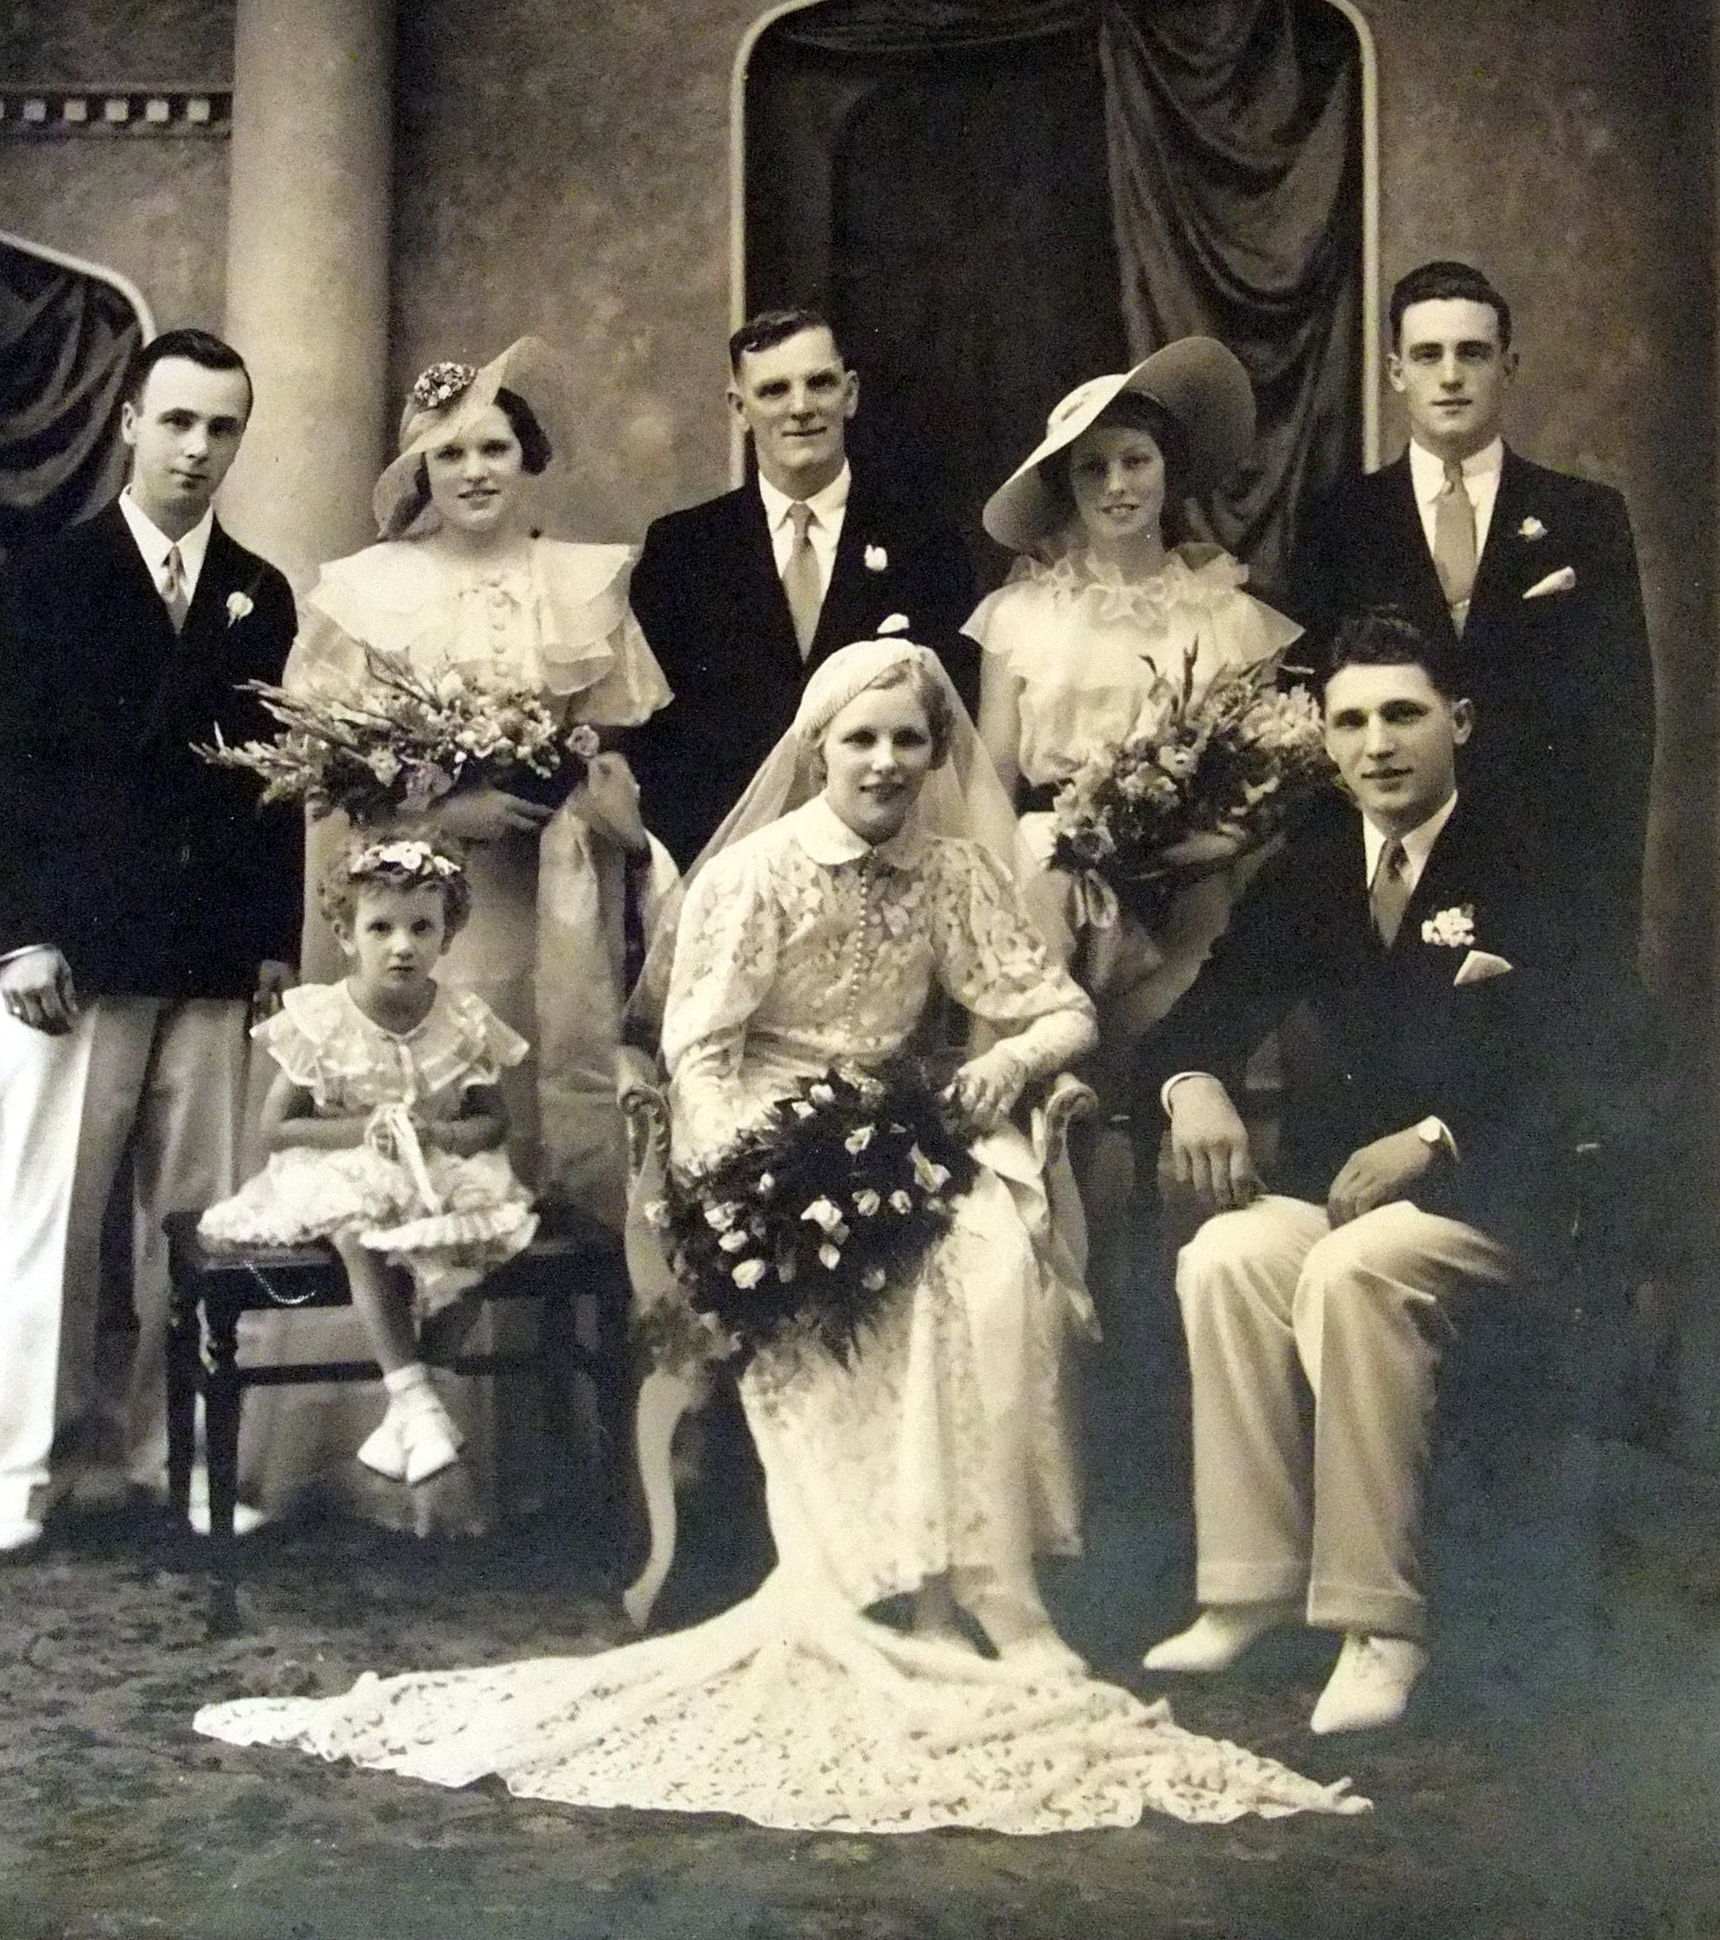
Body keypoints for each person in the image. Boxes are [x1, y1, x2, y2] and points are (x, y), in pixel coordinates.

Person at [193, 642, 1367, 1835]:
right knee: (859, 1272)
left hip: (904, 1120)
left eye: (907, 740)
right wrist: (756, 1180)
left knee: (985, 1261)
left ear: (935, 753)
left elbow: (1059, 1008)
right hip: (765, 1133)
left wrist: (1005, 1061)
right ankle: (889, 1581)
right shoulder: (755, 875)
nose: (884, 762)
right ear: (817, 750)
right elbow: (698, 1053)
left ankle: (981, 1587)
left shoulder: (954, 872)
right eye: (860, 739)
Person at [239, 339, 672, 1526]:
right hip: (420, 909)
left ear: (526, 460)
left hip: (550, 896)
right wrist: (444, 809)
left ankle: (526, 1457)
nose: (475, 471)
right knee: (416, 1122)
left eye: (493, 448)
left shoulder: (578, 582)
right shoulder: (372, 588)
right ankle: (391, 1422)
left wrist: (582, 799)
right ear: (420, 473)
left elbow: (606, 744)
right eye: (450, 455)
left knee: (525, 1123)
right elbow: (331, 774)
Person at [1137, 612, 1576, 1735]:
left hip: (1502, 1200)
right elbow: (1206, 1008)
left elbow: (1598, 1050)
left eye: (1402, 714)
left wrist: (1436, 1135)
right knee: (1228, 1252)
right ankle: (1250, 1585)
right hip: (1352, 1205)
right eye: (1351, 721)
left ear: (1457, 722)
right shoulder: (1316, 865)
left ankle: (1380, 1624)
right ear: (1325, 740)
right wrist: (1193, 1082)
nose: (1376, 744)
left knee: (1351, 1269)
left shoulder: (1535, 849)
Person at [0, 328, 303, 1552]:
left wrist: (271, 944)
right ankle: (26, 1471)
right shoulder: (53, 575)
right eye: (178, 422)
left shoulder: (258, 591)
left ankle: (181, 1459)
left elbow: (276, 778)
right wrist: (21, 938)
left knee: (197, 1225)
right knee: (53, 1221)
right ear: (129, 425)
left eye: (222, 428)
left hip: (206, 955)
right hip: (74, 954)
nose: (198, 449)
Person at [1292, 260, 1655, 969]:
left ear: (1508, 365)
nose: (1451, 376)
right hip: (1392, 874)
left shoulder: (1585, 517)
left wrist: (1607, 920)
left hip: (1547, 882)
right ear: (1396, 371)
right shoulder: (1339, 521)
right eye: (1428, 355)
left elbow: (1623, 725)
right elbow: (1313, 719)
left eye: (1473, 353)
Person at [967, 338, 1301, 1054]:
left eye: (1135, 461)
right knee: (1037, 1044)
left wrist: (1204, 849)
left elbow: (1266, 783)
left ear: (1167, 470)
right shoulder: (1020, 615)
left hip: (1190, 877)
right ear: (1067, 486)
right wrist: (992, 900)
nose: (1116, 485)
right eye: (1092, 467)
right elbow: (994, 771)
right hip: (1050, 870)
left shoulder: (1231, 617)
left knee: (1178, 1054)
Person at [202, 837, 535, 1487]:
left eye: (422, 928)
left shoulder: (462, 1019)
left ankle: (416, 1403)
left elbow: (494, 1120)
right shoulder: (325, 1017)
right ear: (346, 935)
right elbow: (277, 1126)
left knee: (485, 1227)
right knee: (362, 1229)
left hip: (435, 1162)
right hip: (342, 1165)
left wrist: (442, 1133)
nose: (402, 946)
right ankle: (415, 1397)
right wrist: (365, 1128)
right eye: (380, 928)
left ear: (448, 934)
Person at [627, 306, 978, 868]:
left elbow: (951, 720)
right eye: (773, 390)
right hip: (726, 860)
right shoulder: (683, 549)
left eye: (820, 383)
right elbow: (655, 738)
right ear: (739, 409)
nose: (800, 407)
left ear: (850, 393)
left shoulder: (924, 540)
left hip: (885, 853)